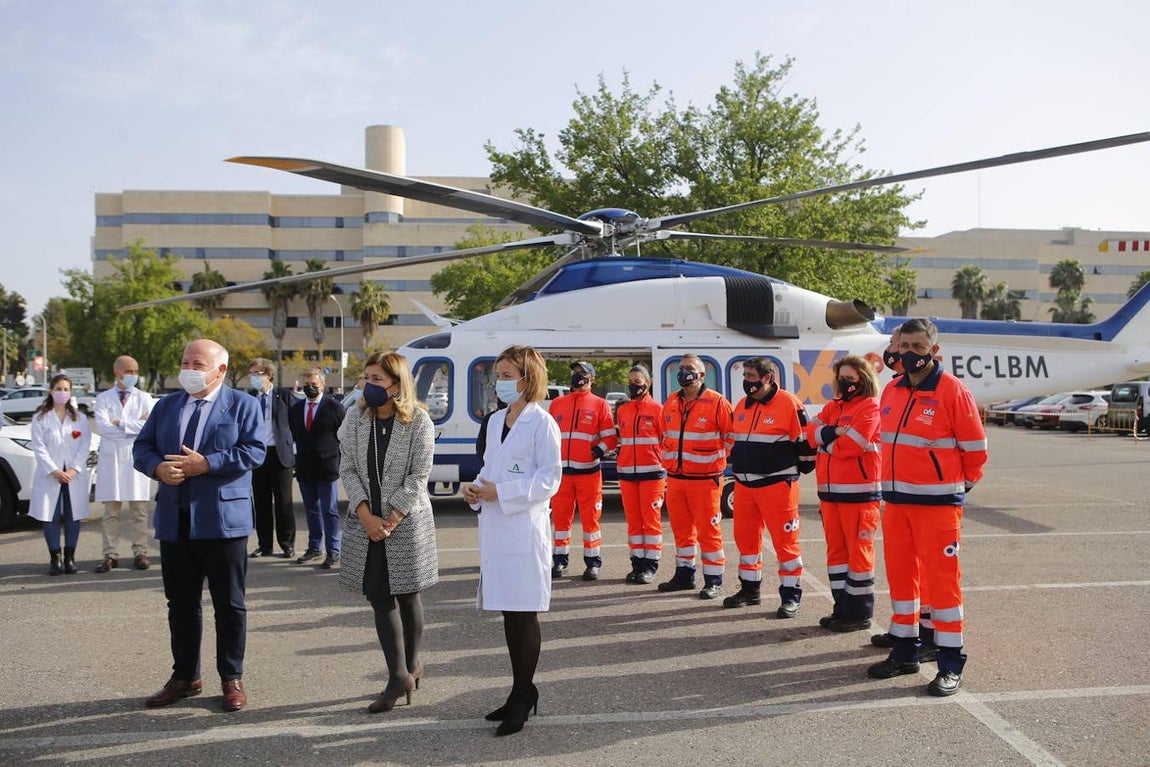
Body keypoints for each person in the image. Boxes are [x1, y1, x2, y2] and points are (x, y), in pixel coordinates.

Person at [133, 339, 265, 712]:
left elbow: (254, 451)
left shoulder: (243, 405)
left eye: (198, 362)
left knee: (229, 604)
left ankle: (231, 677)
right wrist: (157, 467)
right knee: (181, 604)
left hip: (222, 521)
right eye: (185, 361)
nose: (188, 368)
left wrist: (207, 463)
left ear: (220, 370)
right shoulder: (166, 405)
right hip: (176, 520)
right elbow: (142, 448)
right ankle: (185, 676)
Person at [867, 318, 987, 697]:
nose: (910, 354)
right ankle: (905, 653)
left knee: (943, 585)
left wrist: (952, 489)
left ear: (934, 351)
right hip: (897, 504)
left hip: (937, 508)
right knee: (902, 582)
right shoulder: (892, 389)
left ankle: (951, 664)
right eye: (904, 347)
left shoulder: (953, 391)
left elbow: (976, 452)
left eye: (918, 348)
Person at [462, 345, 561, 737]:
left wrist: (501, 493)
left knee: (523, 613)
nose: (499, 383)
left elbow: (550, 480)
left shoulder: (542, 423)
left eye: (506, 376)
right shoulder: (496, 420)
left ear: (527, 377)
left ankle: (523, 697)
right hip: (497, 529)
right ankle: (519, 690)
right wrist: (476, 490)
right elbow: (489, 469)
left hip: (524, 529)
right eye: (497, 376)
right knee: (507, 611)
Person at [337, 351, 438, 714]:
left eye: (377, 379)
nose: (368, 385)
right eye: (366, 378)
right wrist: (365, 514)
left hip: (406, 522)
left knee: (408, 596)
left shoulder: (419, 422)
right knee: (379, 595)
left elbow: (419, 476)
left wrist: (391, 518)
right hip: (368, 523)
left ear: (397, 385)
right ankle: (399, 674)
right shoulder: (355, 418)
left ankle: (410, 667)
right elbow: (346, 466)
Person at [724, 358, 815, 617]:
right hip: (744, 485)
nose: (746, 380)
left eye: (751, 375)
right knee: (746, 540)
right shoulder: (743, 405)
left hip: (777, 485)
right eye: (745, 375)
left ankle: (790, 596)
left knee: (785, 543)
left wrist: (792, 472)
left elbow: (806, 444)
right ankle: (750, 590)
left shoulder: (789, 403)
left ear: (767, 378)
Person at [805, 355, 882, 631]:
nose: (845, 382)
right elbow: (809, 432)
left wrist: (825, 443)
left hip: (860, 495)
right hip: (830, 495)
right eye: (841, 377)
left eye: (850, 378)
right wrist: (834, 431)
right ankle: (842, 609)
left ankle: (859, 613)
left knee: (859, 554)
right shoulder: (832, 407)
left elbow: (854, 445)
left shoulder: (870, 407)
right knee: (837, 554)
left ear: (863, 378)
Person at [657, 354, 734, 599]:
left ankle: (713, 580)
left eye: (689, 368)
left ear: (702, 375)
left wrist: (716, 461)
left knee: (708, 532)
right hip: (676, 480)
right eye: (680, 368)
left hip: (705, 481)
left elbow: (732, 439)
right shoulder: (670, 402)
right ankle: (684, 575)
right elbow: (663, 436)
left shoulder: (717, 403)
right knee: (681, 531)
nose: (683, 372)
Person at [547, 361, 617, 581]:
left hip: (588, 472)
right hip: (562, 474)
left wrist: (599, 449)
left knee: (590, 520)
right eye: (576, 372)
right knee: (560, 520)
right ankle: (559, 561)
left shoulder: (600, 404)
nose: (578, 376)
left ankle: (593, 563)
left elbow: (610, 438)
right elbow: (548, 436)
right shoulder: (557, 403)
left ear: (592, 379)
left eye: (583, 373)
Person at [93, 355, 155, 573]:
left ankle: (140, 552)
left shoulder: (145, 397)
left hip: (135, 458)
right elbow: (103, 427)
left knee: (139, 511)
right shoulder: (103, 399)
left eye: (136, 371)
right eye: (130, 371)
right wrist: (133, 427)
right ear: (117, 372)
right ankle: (110, 554)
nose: (134, 376)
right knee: (111, 511)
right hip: (111, 460)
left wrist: (120, 423)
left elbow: (148, 428)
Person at [29, 374, 92, 576]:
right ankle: (54, 558)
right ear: (51, 391)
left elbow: (84, 447)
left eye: (66, 389)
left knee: (73, 516)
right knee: (51, 516)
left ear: (70, 392)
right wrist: (55, 471)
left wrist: (73, 470)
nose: (62, 393)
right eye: (59, 389)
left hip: (74, 476)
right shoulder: (40, 418)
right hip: (51, 475)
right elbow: (39, 448)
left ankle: (70, 558)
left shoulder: (80, 418)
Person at [289, 368, 346, 568]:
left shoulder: (334, 407)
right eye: (306, 384)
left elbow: (344, 436)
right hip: (305, 468)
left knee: (329, 510)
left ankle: (333, 550)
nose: (310, 387)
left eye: (314, 384)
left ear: (322, 384)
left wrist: (340, 461)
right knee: (311, 510)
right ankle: (314, 548)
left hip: (327, 467)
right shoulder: (296, 409)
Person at [614, 364, 666, 584]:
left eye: (638, 382)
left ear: (648, 383)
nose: (633, 386)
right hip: (627, 473)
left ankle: (650, 566)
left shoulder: (658, 410)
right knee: (634, 522)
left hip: (652, 474)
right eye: (630, 381)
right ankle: (637, 564)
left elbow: (667, 441)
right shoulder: (623, 410)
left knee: (650, 521)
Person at [246, 357, 296, 559]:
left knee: (284, 502)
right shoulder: (249, 398)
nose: (253, 378)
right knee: (261, 503)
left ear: (269, 375)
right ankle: (264, 545)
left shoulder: (284, 395)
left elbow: (295, 424)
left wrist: (296, 454)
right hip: (258, 455)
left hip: (280, 455)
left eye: (257, 374)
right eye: (251, 374)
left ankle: (287, 544)